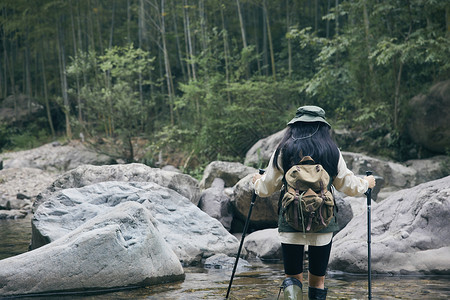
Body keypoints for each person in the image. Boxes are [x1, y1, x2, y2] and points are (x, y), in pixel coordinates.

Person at [252, 105, 376, 300]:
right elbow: (347, 184)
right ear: (323, 127)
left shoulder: (285, 149)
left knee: (293, 278)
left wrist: (256, 183)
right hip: (323, 221)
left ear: (294, 126)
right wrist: (366, 184)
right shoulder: (331, 150)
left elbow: (267, 187)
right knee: (318, 280)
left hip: (290, 220)